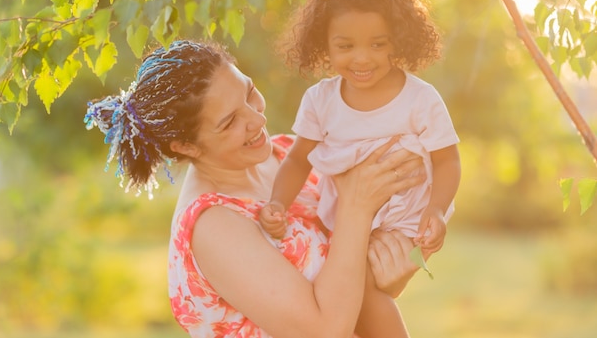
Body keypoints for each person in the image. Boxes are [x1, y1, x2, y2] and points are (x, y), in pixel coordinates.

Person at [84, 39, 426, 338]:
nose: (257, 120)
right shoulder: (215, 225)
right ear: (186, 147)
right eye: (230, 121)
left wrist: (396, 271)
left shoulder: (285, 155)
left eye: (249, 92)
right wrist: (356, 207)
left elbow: (360, 282)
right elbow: (323, 331)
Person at [259, 0, 461, 305]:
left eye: (378, 44)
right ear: (324, 43)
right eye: (346, 46)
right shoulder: (320, 101)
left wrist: (437, 210)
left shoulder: (420, 100)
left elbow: (447, 161)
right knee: (339, 293)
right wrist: (278, 202)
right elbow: (296, 160)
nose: (362, 59)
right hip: (346, 224)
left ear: (397, 39)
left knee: (366, 293)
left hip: (406, 222)